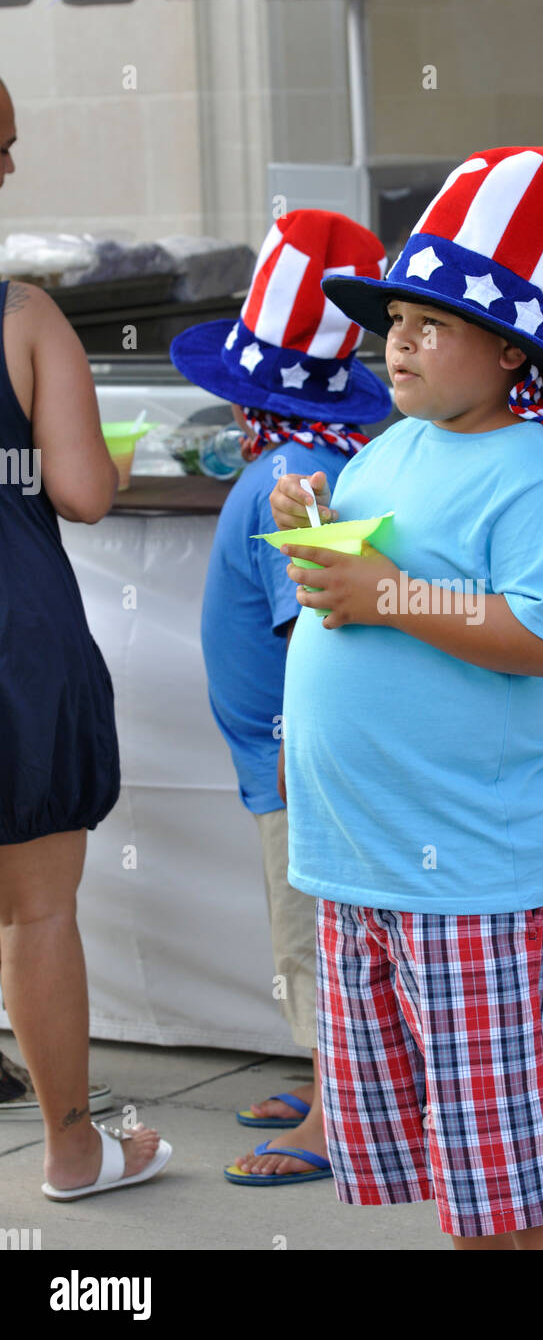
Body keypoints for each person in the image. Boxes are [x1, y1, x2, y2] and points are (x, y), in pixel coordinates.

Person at [269, 146, 543, 1249]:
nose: (399, 343)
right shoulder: (385, 450)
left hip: (473, 870)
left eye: (432, 325)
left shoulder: (542, 476)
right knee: (455, 1166)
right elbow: (359, 604)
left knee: (506, 1159)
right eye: (394, 322)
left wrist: (386, 592)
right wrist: (318, 534)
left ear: (508, 350)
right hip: (364, 861)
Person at [171, 209, 392, 1185]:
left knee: (313, 935)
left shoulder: (292, 477)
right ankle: (330, 1080)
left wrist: (303, 771)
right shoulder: (310, 463)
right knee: (313, 928)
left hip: (294, 765)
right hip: (284, 762)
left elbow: (319, 638)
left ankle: (332, 1119)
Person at [0, 84, 170, 1198]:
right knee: (40, 909)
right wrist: (100, 455)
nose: (10, 167)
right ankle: (71, 1149)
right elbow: (83, 492)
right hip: (17, 637)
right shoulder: (23, 314)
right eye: (0, 145)